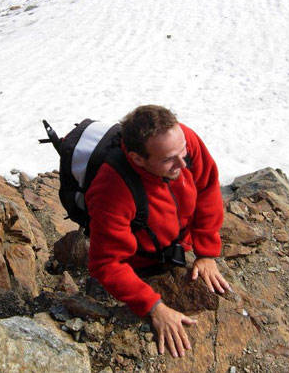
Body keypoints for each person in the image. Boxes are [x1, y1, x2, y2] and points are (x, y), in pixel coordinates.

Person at [86, 105, 230, 358]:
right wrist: (153, 307)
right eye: (168, 159)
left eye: (182, 150)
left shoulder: (181, 141)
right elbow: (106, 263)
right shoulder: (112, 190)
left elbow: (207, 186)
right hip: (141, 260)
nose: (183, 163)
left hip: (179, 239)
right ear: (138, 159)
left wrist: (206, 252)